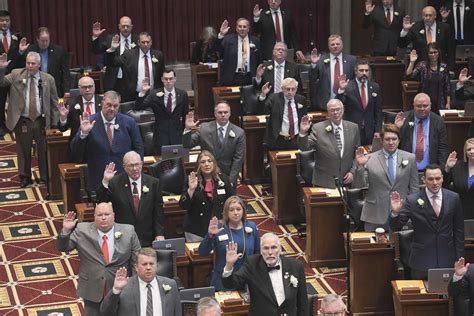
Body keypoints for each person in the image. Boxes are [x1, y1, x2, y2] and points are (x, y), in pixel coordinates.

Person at [56, 203, 141, 316]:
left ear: (114, 216)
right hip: (92, 288)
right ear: (94, 217)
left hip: (121, 287)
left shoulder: (128, 231)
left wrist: (135, 285)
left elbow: (137, 261)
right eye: (99, 215)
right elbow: (64, 247)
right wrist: (66, 230)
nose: (103, 217)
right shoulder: (82, 230)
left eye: (107, 214)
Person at [389, 164, 464, 280]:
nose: (435, 183)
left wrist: (459, 258)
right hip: (421, 262)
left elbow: (459, 231)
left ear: (442, 178)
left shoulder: (454, 198)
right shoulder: (412, 200)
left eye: (438, 178)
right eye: (430, 179)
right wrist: (395, 212)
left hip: (447, 260)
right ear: (423, 179)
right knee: (421, 297)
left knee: (448, 297)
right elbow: (396, 226)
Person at [0, 51, 58, 187]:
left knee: (43, 150)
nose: (30, 66)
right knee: (23, 150)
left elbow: (54, 102)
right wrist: (1, 69)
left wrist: (54, 124)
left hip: (41, 121)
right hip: (23, 120)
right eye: (28, 63)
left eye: (33, 63)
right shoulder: (16, 74)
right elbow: (1, 83)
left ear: (39, 65)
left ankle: (44, 177)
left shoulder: (48, 79)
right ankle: (25, 177)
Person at [70, 90, 144, 192]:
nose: (112, 109)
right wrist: (83, 134)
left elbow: (138, 148)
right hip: (98, 177)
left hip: (124, 177)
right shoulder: (89, 122)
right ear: (102, 103)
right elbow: (76, 152)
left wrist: (136, 171)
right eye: (108, 105)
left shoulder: (129, 122)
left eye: (115, 106)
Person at [353, 124, 419, 231]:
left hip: (401, 213)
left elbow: (414, 188)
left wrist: (411, 210)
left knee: (401, 246)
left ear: (399, 140)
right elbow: (359, 185)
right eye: (387, 139)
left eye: (394, 139)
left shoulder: (410, 158)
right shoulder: (370, 158)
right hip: (375, 213)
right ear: (381, 141)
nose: (391, 142)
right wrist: (360, 167)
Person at [222, 232, 307, 315]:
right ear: (261, 250)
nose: (270, 252)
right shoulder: (252, 264)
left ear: (280, 249)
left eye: (273, 247)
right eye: (266, 248)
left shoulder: (295, 266)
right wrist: (229, 265)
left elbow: (303, 302)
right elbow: (230, 284)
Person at [96, 151, 165, 246]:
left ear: (141, 164)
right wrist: (105, 181)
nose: (135, 168)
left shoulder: (153, 183)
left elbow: (158, 212)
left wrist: (159, 234)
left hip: (146, 238)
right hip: (122, 239)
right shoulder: (115, 183)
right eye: (131, 165)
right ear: (124, 166)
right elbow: (101, 203)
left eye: (137, 164)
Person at [198, 196, 260, 290]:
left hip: (245, 280)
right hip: (222, 281)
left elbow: (257, 254)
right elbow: (202, 252)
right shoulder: (220, 228)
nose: (235, 213)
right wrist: (210, 235)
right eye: (231, 210)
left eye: (238, 209)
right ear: (226, 212)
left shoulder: (251, 227)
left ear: (243, 211)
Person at [298, 99, 360, 189]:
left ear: (343, 110)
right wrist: (303, 133)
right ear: (328, 112)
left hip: (347, 181)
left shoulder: (353, 128)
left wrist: (353, 172)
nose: (335, 112)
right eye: (332, 110)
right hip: (324, 182)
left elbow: (357, 154)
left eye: (338, 109)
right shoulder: (318, 128)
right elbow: (305, 148)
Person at [100, 247, 181, 316]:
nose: (148, 267)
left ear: (157, 266)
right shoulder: (124, 287)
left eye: (151, 264)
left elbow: (177, 313)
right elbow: (105, 313)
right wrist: (116, 290)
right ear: (136, 267)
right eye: (144, 264)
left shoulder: (171, 284)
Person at [183, 101, 245, 186]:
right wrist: (187, 129)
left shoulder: (239, 132)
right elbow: (187, 144)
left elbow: (238, 159)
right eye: (220, 112)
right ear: (215, 114)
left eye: (225, 112)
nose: (223, 115)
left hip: (227, 176)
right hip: (206, 175)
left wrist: (231, 181)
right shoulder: (204, 128)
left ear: (230, 113)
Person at [179, 150, 234, 241]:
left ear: (214, 163)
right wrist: (191, 189)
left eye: (209, 161)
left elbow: (232, 201)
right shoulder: (191, 180)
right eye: (203, 162)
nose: (206, 164)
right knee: (199, 255)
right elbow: (183, 205)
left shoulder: (223, 179)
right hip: (196, 229)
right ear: (199, 165)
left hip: (220, 227)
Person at [135, 69, 189, 154]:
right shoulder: (154, 94)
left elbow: (186, 115)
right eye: (166, 79)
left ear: (175, 79)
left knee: (178, 164)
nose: (168, 81)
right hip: (160, 138)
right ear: (162, 79)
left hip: (177, 136)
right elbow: (138, 107)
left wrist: (182, 131)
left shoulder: (182, 94)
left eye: (171, 78)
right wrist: (143, 92)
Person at [395, 92, 449, 171]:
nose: (422, 109)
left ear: (430, 106)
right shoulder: (404, 118)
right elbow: (394, 144)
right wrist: (397, 129)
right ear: (413, 106)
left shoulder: (438, 121)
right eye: (419, 106)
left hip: (430, 168)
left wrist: (441, 168)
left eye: (425, 106)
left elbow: (443, 147)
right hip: (406, 167)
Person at [106, 31, 165, 102]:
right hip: (133, 95)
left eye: (148, 42)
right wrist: (112, 49)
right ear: (138, 42)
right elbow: (113, 63)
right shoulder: (129, 54)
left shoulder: (158, 55)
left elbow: (162, 73)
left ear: (151, 42)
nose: (146, 44)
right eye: (143, 42)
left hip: (153, 95)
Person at [337, 59, 382, 146]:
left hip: (370, 130)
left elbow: (378, 111)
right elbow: (339, 104)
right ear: (355, 71)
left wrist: (378, 130)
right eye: (361, 70)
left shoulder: (375, 86)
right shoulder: (348, 86)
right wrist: (342, 90)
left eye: (366, 70)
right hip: (352, 130)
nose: (364, 73)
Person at [398, 6, 455, 70]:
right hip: (421, 68)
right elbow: (402, 44)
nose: (428, 18)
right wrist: (405, 30)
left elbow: (451, 51)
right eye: (426, 15)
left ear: (435, 16)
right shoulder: (416, 27)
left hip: (440, 67)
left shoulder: (445, 28)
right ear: (422, 16)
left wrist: (451, 69)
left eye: (430, 15)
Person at [309, 34, 357, 111]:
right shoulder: (321, 60)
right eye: (332, 44)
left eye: (338, 44)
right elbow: (312, 79)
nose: (335, 46)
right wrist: (314, 64)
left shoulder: (352, 60)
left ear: (342, 45)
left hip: (347, 101)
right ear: (328, 46)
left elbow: (355, 80)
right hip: (324, 102)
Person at [258, 77, 308, 150]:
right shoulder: (274, 98)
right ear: (282, 89)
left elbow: (304, 118)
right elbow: (262, 111)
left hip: (296, 140)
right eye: (288, 89)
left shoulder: (301, 99)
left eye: (293, 89)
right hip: (278, 140)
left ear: (296, 89)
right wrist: (263, 95)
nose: (290, 92)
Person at [91, 16, 139, 92]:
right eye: (123, 26)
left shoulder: (138, 40)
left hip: (132, 80)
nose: (125, 28)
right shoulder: (110, 38)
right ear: (119, 26)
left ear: (132, 26)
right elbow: (97, 50)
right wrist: (95, 37)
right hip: (114, 80)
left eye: (128, 26)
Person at [22, 27, 71, 98]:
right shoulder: (30, 50)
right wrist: (21, 52)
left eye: (47, 40)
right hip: (35, 87)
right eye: (42, 41)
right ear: (37, 39)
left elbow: (65, 72)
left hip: (54, 88)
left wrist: (66, 90)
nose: (45, 43)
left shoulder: (59, 51)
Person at [405, 43, 451, 113]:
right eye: (431, 53)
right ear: (427, 54)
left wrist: (448, 103)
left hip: (440, 102)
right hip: (424, 103)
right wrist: (412, 62)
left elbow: (447, 87)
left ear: (438, 53)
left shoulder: (444, 66)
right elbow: (409, 76)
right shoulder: (422, 65)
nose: (433, 55)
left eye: (435, 52)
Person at [0, 10, 25, 137]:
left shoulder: (17, 35)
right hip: (0, 74)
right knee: (0, 100)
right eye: (2, 20)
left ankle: (14, 124)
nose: (4, 23)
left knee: (16, 101)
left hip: (15, 74)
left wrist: (21, 52)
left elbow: (21, 58)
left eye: (7, 20)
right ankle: (1, 126)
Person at [57, 76, 102, 145]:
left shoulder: (103, 102)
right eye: (84, 87)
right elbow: (63, 129)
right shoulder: (71, 104)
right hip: (79, 144)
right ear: (79, 89)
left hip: (100, 143)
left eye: (90, 86)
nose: (87, 90)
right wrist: (63, 118)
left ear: (94, 87)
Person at [217, 18, 261, 86]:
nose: (242, 28)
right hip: (232, 77)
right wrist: (221, 35)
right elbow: (218, 51)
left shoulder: (255, 41)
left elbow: (259, 59)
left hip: (249, 76)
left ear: (248, 28)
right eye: (240, 26)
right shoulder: (228, 39)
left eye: (244, 26)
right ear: (236, 28)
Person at [443, 138, 474, 219]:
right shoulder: (457, 166)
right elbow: (444, 186)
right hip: (461, 211)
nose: (472, 151)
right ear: (465, 152)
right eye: (469, 149)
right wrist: (447, 168)